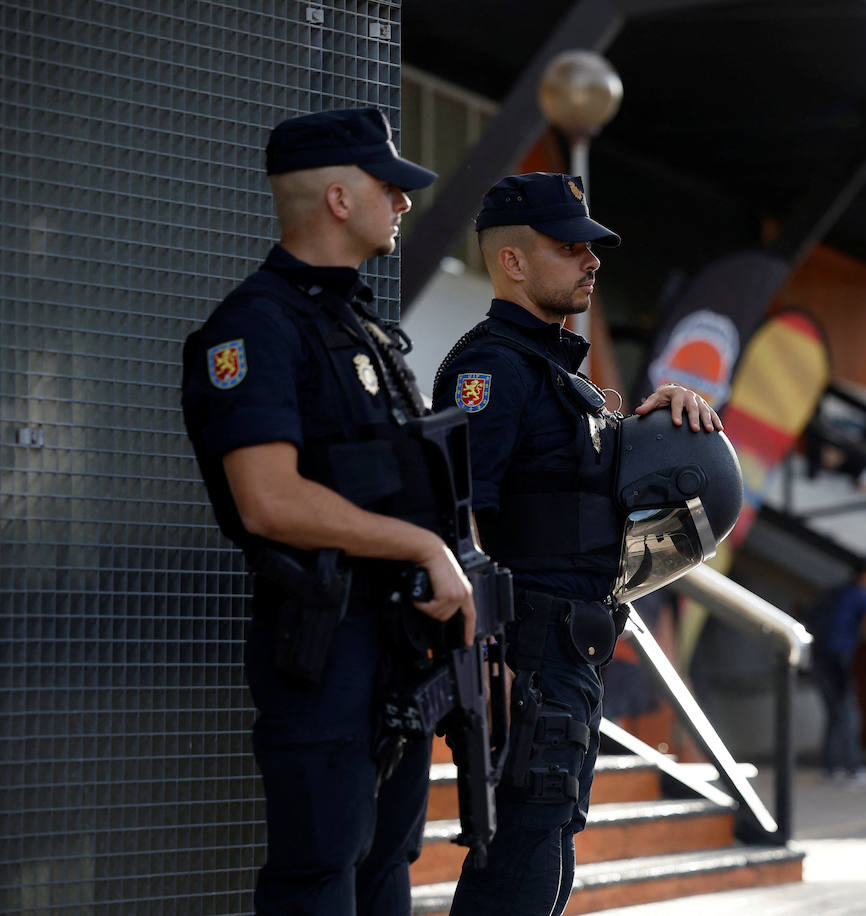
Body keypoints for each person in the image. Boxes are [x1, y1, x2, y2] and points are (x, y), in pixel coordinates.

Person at [180, 109, 475, 915]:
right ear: (340, 199)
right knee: (320, 874)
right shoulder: (255, 327)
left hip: (399, 649)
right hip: (324, 643)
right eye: (391, 187)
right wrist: (420, 546)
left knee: (387, 867)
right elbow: (268, 500)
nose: (405, 203)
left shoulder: (365, 328)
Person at [432, 172, 723, 916]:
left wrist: (656, 423)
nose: (591, 261)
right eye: (569, 248)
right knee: (523, 856)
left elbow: (576, 504)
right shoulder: (489, 370)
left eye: (591, 248)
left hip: (568, 653)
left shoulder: (563, 381)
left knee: (548, 842)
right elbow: (456, 518)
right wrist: (482, 661)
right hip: (522, 654)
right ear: (514, 263)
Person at [807, 558, 866, 783]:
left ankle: (830, 768)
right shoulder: (859, 594)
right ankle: (852, 768)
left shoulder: (841, 592)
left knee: (835, 713)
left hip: (819, 656)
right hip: (835, 659)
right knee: (848, 714)